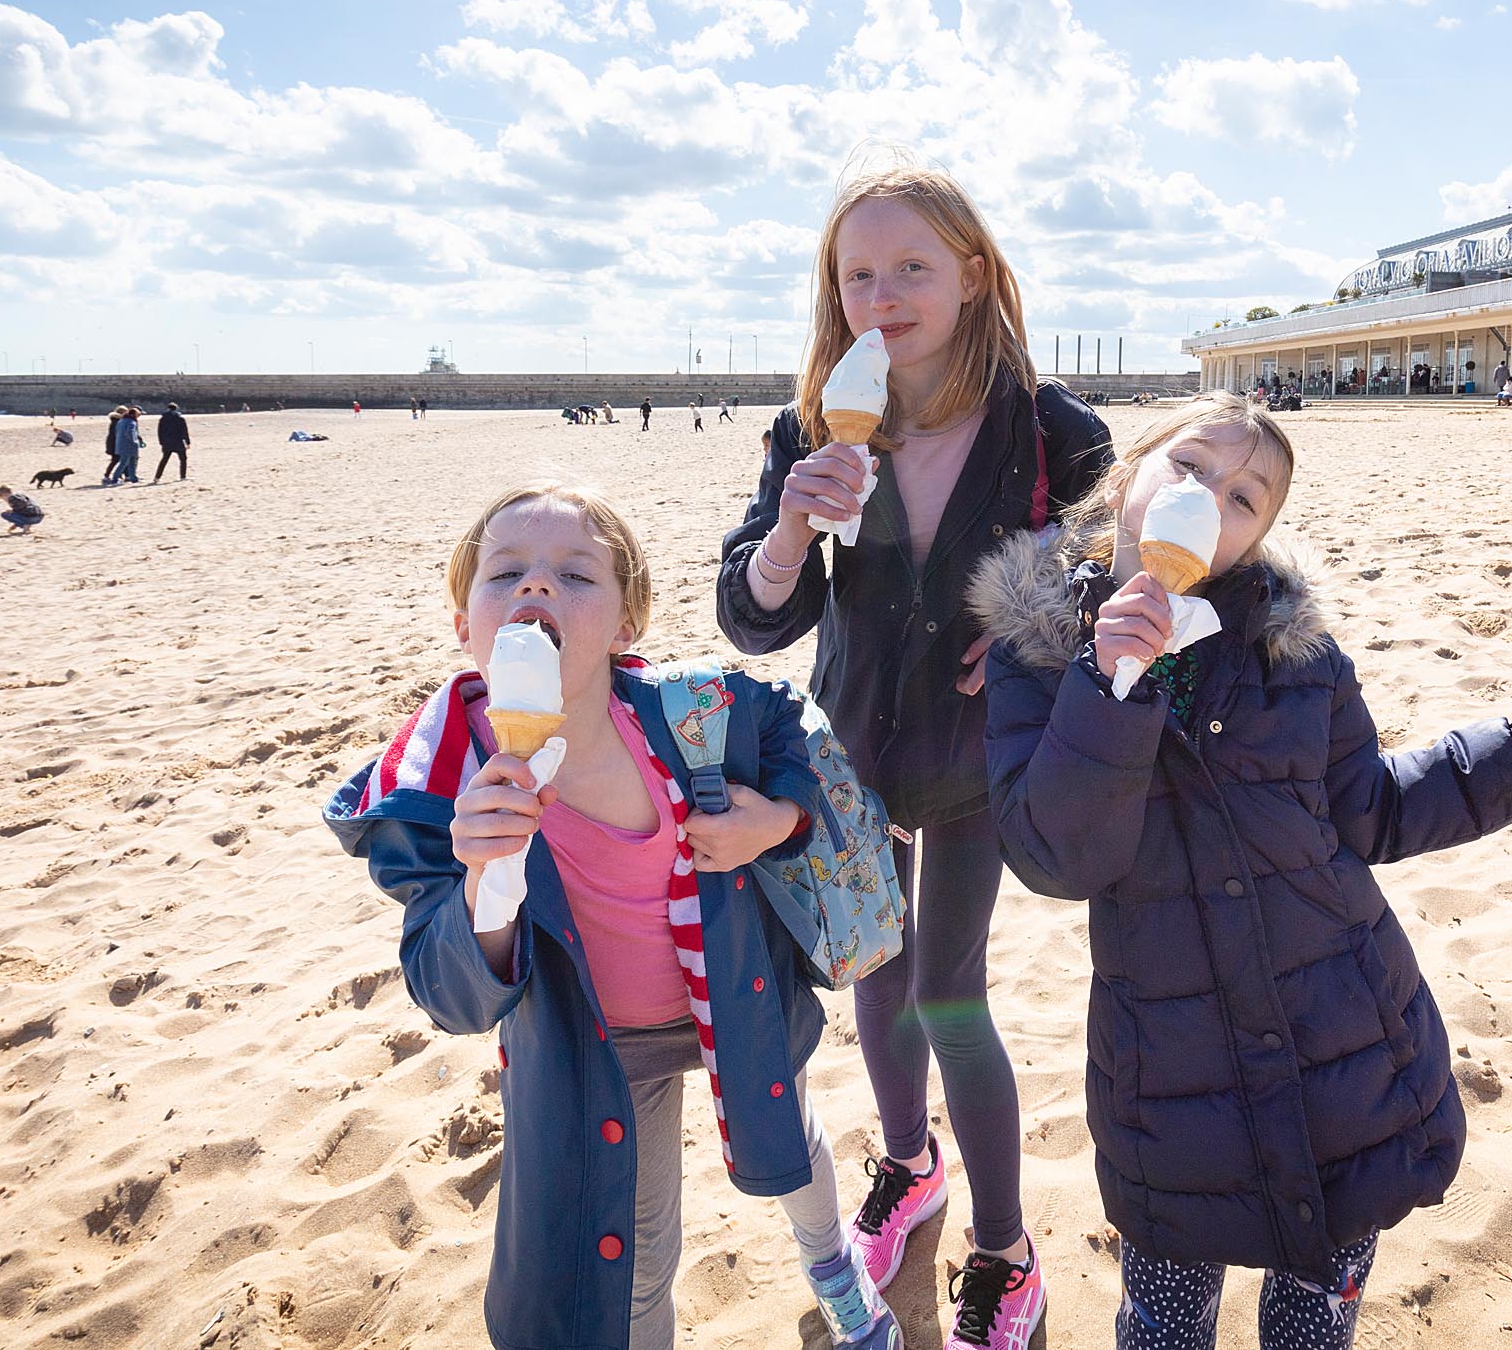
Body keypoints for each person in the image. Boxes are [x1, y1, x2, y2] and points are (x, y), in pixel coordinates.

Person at [972, 393, 1512, 1349]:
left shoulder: (1294, 655)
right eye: (1191, 467)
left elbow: (1371, 805)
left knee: (1317, 1311)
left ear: (1256, 538)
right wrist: (1108, 684)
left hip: (1342, 1040)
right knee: (1164, 1315)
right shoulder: (1036, 661)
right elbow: (1054, 855)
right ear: (1126, 480)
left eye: (1245, 497)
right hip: (1171, 1067)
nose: (1212, 498)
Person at [324, 484, 899, 1350]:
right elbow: (449, 997)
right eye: (506, 572)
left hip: (728, 993)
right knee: (635, 1250)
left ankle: (834, 1270)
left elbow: (790, 727)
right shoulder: (435, 789)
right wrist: (485, 880)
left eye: (574, 574)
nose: (537, 589)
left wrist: (773, 822)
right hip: (597, 1046)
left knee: (790, 1141)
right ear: (462, 621)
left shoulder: (688, 716)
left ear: (627, 626)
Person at [717, 155, 1112, 1349]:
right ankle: (908, 1163)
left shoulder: (1051, 428)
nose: (881, 295)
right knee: (873, 973)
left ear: (972, 275)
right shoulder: (809, 422)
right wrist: (792, 519)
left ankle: (1003, 1247)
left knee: (949, 986)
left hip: (984, 759)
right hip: (857, 751)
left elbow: (1117, 578)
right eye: (856, 274)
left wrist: (1042, 628)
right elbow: (752, 614)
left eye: (910, 268)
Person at [154, 401, 191, 482]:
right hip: (178, 442)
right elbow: (184, 431)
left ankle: (157, 477)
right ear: (176, 409)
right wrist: (187, 442)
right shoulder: (180, 418)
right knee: (183, 459)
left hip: (167, 442)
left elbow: (160, 432)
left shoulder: (163, 419)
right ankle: (183, 477)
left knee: (164, 460)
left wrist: (161, 442)